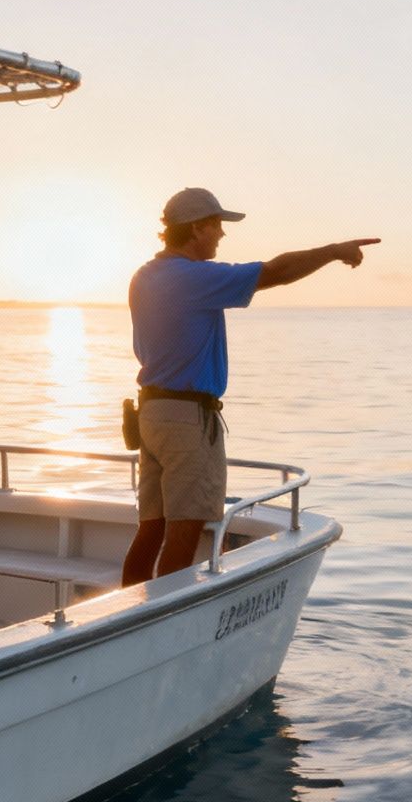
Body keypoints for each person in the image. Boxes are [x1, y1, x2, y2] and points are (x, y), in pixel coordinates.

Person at [121, 187, 377, 584]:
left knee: (150, 529)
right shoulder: (191, 278)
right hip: (187, 420)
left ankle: (126, 615)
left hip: (151, 414)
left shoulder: (145, 276)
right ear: (196, 229)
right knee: (183, 531)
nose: (222, 235)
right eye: (217, 226)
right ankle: (167, 621)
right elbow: (273, 272)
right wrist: (333, 251)